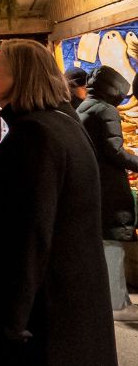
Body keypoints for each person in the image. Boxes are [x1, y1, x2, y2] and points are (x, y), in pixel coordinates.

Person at [0, 39, 116, 365]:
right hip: (72, 308)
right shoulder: (63, 123)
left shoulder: (34, 135)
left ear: (20, 76)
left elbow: (28, 236)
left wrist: (11, 320)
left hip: (45, 320)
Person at [76, 64, 138, 320]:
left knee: (104, 244)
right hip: (111, 187)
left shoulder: (83, 107)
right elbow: (115, 151)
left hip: (94, 185)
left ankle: (117, 298)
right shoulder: (106, 110)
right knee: (113, 243)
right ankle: (117, 304)